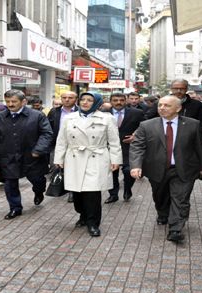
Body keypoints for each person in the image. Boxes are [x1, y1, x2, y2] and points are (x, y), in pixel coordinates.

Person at [129, 95, 202, 243]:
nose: (162, 108)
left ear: (178, 108)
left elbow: (200, 147)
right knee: (160, 197)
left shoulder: (193, 124)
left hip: (184, 169)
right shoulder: (146, 125)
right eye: (160, 105)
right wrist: (136, 166)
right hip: (156, 169)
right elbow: (137, 147)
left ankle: (175, 229)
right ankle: (162, 213)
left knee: (180, 199)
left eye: (167, 105)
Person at [54, 92, 122, 237]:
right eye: (82, 99)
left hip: (96, 157)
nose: (85, 102)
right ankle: (82, 215)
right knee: (77, 194)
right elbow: (62, 140)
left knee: (93, 193)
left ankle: (93, 223)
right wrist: (58, 159)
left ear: (97, 103)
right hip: (74, 158)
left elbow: (114, 141)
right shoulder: (69, 118)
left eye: (89, 100)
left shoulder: (107, 118)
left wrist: (116, 160)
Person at [0, 90, 53, 219]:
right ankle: (15, 208)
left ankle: (39, 192)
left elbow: (47, 133)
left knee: (37, 180)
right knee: (10, 183)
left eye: (14, 101)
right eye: (8, 101)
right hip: (8, 156)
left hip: (32, 156)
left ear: (24, 102)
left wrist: (38, 150)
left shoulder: (37, 116)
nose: (10, 104)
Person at [105, 92, 145, 204]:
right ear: (110, 101)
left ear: (125, 100)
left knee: (128, 171)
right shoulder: (103, 114)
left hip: (129, 147)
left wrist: (135, 135)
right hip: (110, 147)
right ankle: (113, 195)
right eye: (115, 100)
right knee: (112, 172)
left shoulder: (137, 113)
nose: (118, 102)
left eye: (121, 100)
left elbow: (145, 126)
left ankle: (128, 189)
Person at [47, 91, 78, 202]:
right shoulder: (54, 112)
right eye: (64, 97)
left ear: (76, 99)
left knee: (73, 169)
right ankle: (60, 187)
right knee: (57, 167)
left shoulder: (81, 112)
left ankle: (72, 192)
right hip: (57, 145)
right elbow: (48, 128)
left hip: (75, 145)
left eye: (70, 97)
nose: (67, 100)